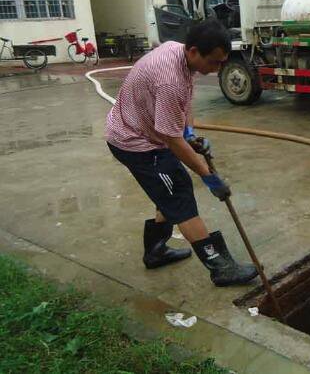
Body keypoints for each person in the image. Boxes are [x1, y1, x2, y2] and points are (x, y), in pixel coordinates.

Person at [105, 18, 257, 286]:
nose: (217, 68)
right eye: (214, 62)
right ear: (194, 51)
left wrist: (190, 133)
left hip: (148, 132)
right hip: (135, 142)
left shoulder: (178, 52)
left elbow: (184, 100)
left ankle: (156, 251)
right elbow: (170, 138)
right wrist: (208, 175)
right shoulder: (169, 80)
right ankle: (219, 267)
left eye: (222, 62)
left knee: (169, 190)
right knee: (179, 195)